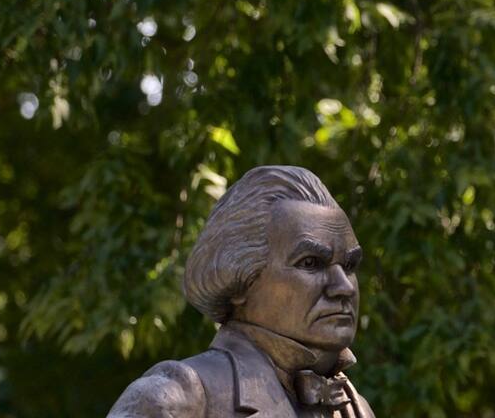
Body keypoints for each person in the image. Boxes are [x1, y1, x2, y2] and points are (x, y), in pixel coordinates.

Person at [109, 166, 375, 418]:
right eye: (310, 263)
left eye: (350, 266)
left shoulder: (355, 409)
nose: (345, 287)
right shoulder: (179, 398)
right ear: (239, 277)